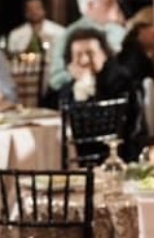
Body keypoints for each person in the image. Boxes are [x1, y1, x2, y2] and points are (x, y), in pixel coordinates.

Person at [54, 26, 146, 161]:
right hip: (74, 153)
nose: (85, 60)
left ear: (104, 54)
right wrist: (79, 86)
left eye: (90, 53)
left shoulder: (120, 80)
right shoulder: (68, 88)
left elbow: (125, 123)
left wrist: (87, 86)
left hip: (115, 152)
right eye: (78, 55)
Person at [47, 0, 127, 95]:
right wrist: (78, 75)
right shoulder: (69, 36)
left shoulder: (118, 30)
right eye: (108, 3)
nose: (115, 7)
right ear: (90, 5)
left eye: (115, 2)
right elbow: (56, 80)